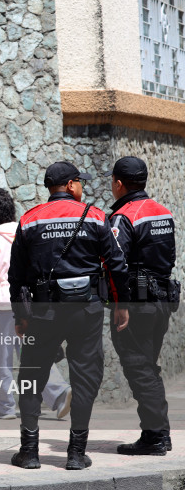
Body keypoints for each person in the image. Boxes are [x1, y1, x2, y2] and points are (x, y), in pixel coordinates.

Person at [8, 161, 130, 471]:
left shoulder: (29, 220)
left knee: (31, 378)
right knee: (85, 377)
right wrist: (121, 303)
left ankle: (29, 452)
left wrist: (21, 316)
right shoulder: (96, 216)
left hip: (43, 312)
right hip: (86, 310)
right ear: (71, 184)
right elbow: (116, 264)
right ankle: (76, 453)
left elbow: (16, 276)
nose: (82, 188)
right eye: (81, 182)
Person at [0, 188, 72, 421]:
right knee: (34, 354)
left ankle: (3, 406)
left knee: (1, 359)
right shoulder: (24, 231)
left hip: (2, 305)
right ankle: (60, 394)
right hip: (26, 303)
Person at [108, 156, 177, 455]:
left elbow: (117, 264)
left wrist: (120, 303)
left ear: (119, 183)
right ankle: (160, 434)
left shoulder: (124, 216)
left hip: (136, 306)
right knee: (148, 367)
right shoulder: (163, 212)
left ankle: (155, 437)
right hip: (161, 301)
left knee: (140, 369)